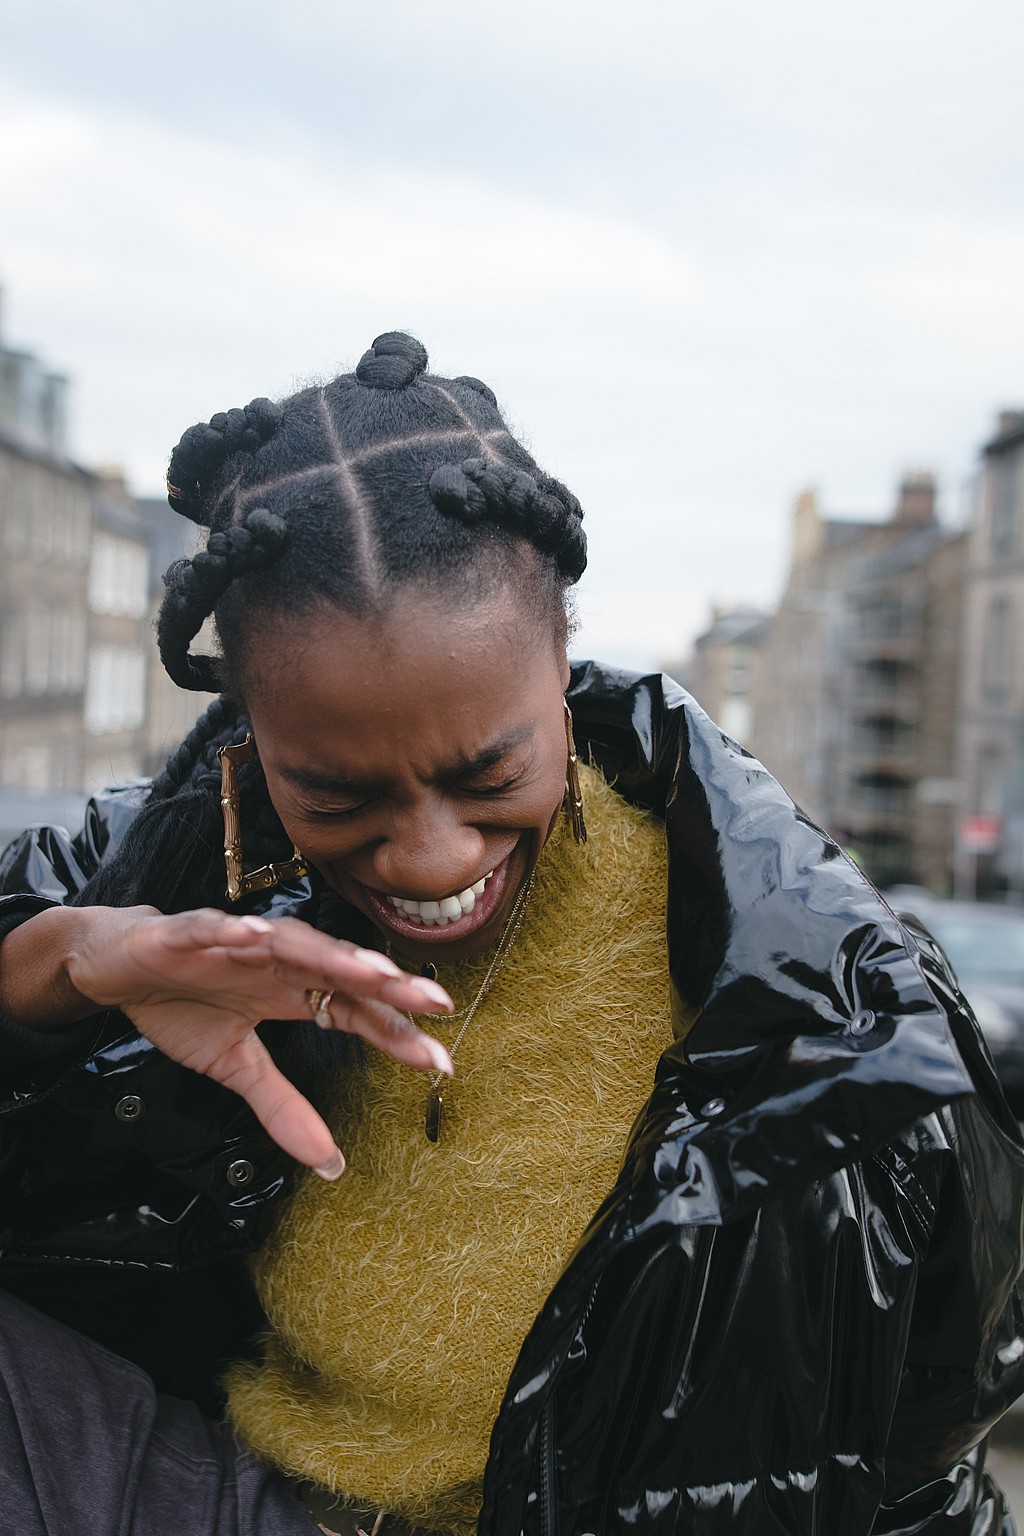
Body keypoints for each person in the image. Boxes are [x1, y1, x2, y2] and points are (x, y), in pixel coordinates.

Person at [1, 332, 1023, 1536]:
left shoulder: (831, 1006)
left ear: (563, 662)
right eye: (337, 794)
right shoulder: (165, 875)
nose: (431, 856)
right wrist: (58, 976)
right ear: (248, 731)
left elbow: (919, 1455)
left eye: (491, 770)